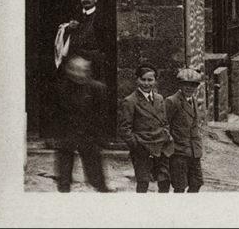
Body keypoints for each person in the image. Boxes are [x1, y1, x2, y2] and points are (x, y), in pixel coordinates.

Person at [53, 56, 111, 192]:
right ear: (69, 71)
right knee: (64, 180)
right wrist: (56, 136)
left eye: (82, 70)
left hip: (89, 136)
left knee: (97, 179)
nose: (78, 74)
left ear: (88, 71)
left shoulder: (97, 89)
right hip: (67, 136)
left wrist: (100, 138)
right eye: (74, 70)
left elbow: (102, 116)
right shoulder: (61, 88)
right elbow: (56, 113)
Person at [119, 63, 174, 193]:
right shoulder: (130, 101)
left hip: (161, 147)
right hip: (142, 148)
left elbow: (164, 121)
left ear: (155, 81)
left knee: (164, 181)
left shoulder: (159, 98)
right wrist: (137, 145)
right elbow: (124, 129)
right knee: (143, 183)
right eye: (143, 79)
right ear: (137, 80)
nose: (146, 83)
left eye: (150, 80)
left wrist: (166, 135)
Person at [165, 68, 205, 193]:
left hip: (194, 151)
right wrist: (170, 143)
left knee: (196, 183)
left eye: (193, 85)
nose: (189, 88)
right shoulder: (172, 101)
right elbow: (164, 124)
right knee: (180, 186)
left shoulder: (193, 100)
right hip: (179, 152)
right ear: (180, 85)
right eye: (186, 84)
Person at [55, 0, 107, 71]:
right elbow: (61, 36)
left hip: (92, 64)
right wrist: (68, 28)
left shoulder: (101, 17)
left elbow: (104, 45)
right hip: (73, 64)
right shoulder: (75, 13)